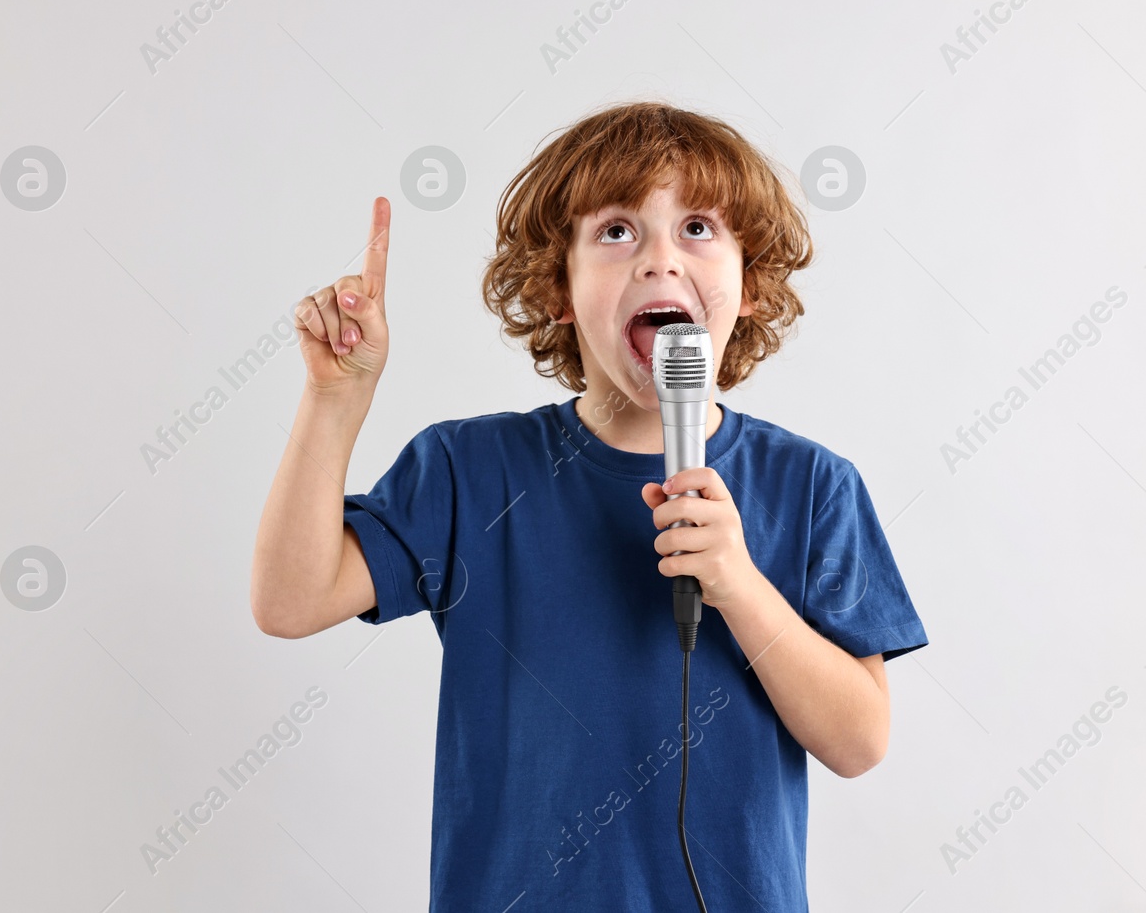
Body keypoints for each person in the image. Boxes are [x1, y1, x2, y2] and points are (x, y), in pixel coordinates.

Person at [249, 101, 928, 910]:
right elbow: (290, 601)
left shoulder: (814, 487)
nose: (660, 261)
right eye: (616, 231)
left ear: (749, 286)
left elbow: (859, 741)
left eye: (700, 229)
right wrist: (335, 401)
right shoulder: (469, 470)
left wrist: (739, 584)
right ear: (559, 291)